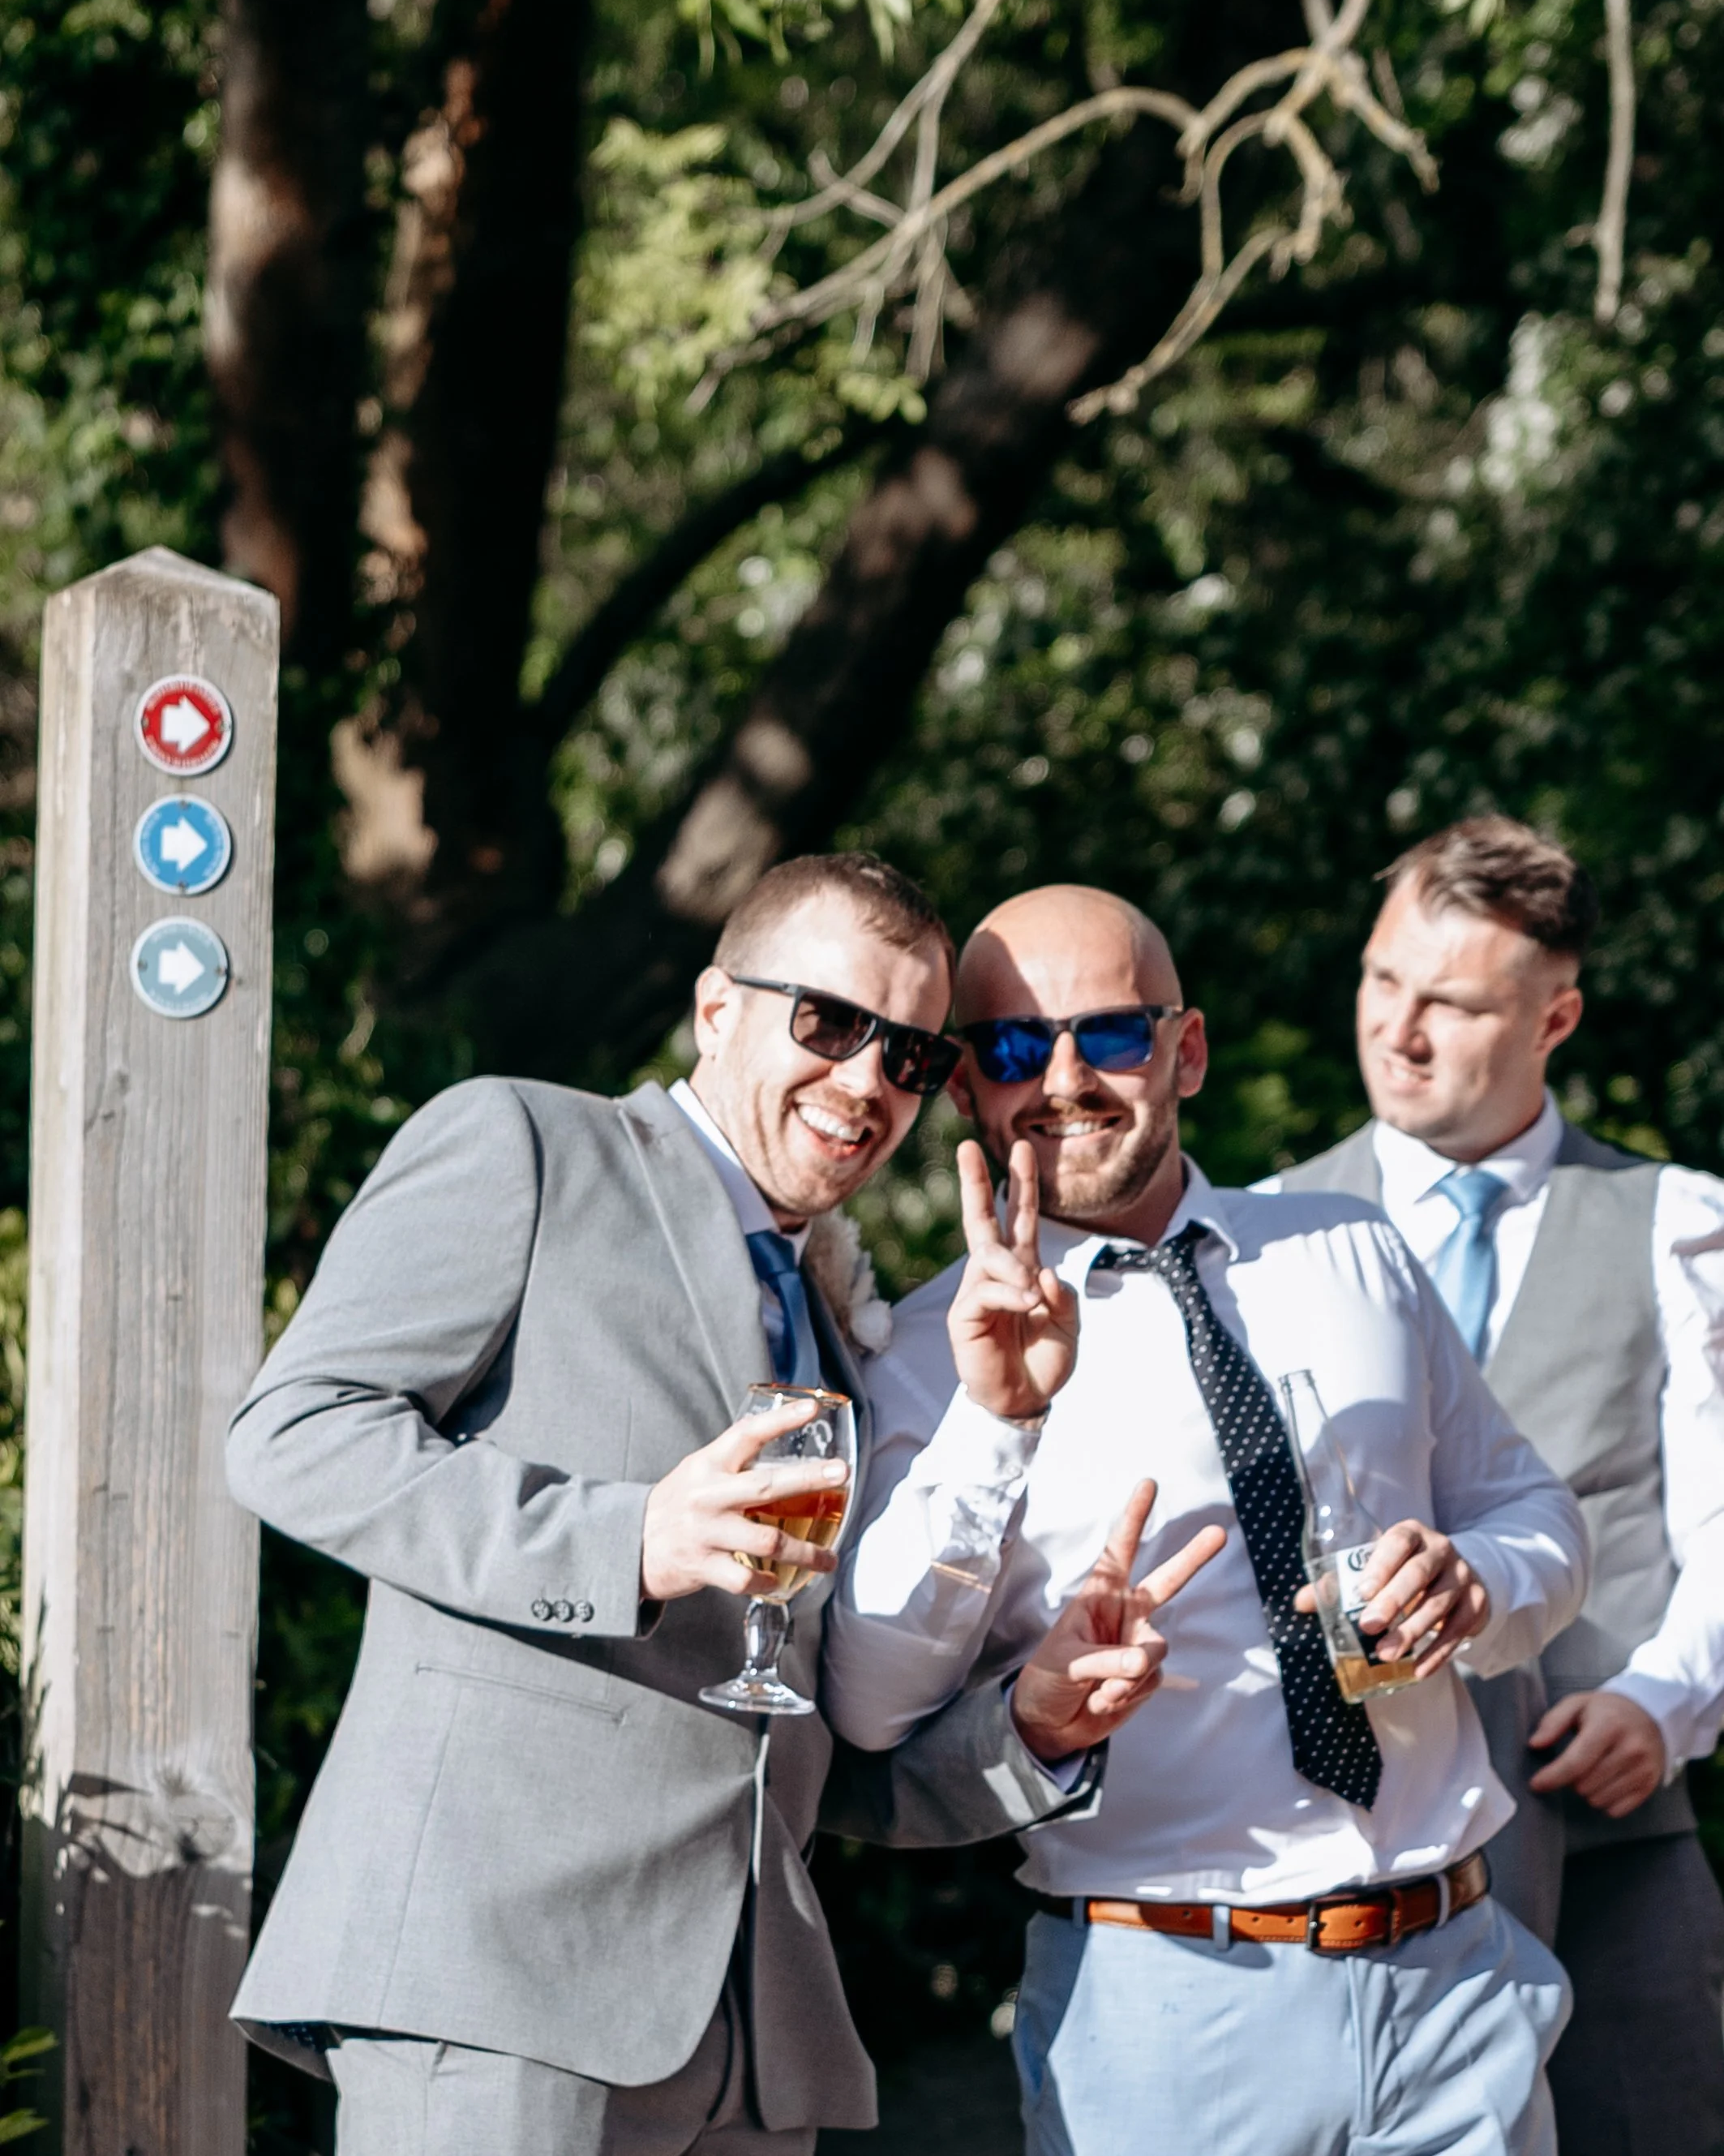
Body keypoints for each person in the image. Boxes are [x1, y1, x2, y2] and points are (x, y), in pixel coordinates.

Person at [226, 852, 1165, 2156]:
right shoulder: (528, 1142)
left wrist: (1028, 1732)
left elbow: (793, 1728)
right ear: (716, 1009)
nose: (865, 1084)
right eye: (830, 1024)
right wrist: (626, 1539)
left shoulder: (842, 1336)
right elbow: (293, 1436)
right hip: (502, 1981)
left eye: (907, 1055)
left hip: (751, 2040)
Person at [823, 881, 1589, 2156]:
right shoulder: (915, 1356)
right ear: (963, 1088)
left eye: (1109, 1035)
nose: (1062, 1077)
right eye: (1014, 1047)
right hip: (1168, 2005)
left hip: (1458, 1979)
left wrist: (1480, 1584)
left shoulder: (1352, 1250)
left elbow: (1537, 1517)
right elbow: (869, 1702)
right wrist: (993, 1422)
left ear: (1184, 1050)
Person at [1272, 813, 1724, 2156]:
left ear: (1553, 1018)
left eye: (1454, 1004)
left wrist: (1663, 1702)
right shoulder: (1264, 1229)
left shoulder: (1678, 1223)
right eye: (1380, 980)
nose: (1397, 1032)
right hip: (1359, 1862)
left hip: (1609, 1838)